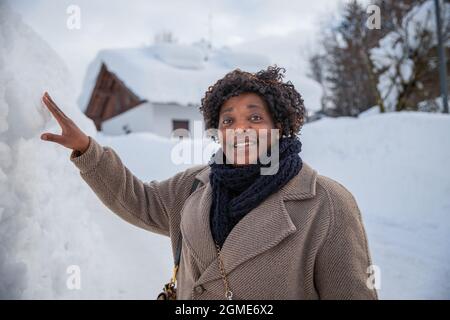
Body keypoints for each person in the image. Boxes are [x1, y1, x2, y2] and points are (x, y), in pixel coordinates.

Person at [41, 65, 378, 300]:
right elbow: (138, 201)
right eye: (228, 119)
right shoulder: (194, 185)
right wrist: (87, 149)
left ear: (281, 125)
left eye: (255, 117)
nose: (239, 128)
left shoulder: (327, 203)